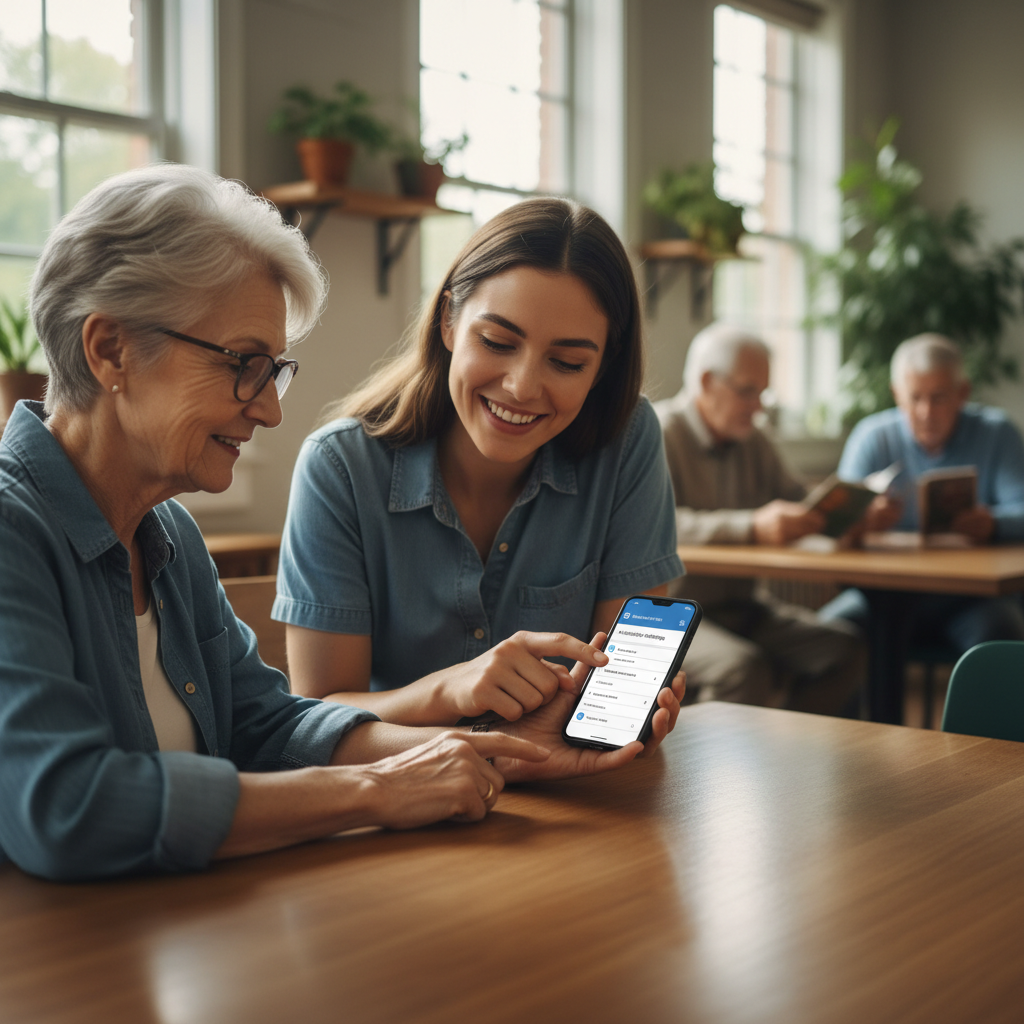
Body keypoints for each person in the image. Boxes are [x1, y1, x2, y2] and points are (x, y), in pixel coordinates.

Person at [0, 166, 683, 882]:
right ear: (109, 349)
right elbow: (68, 806)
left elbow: (272, 726)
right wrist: (375, 790)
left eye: (272, 370)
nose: (270, 409)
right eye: (244, 364)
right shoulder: (15, 529)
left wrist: (496, 746)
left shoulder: (167, 536)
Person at [273, 197, 685, 725]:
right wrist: (452, 692)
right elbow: (320, 714)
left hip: (562, 771)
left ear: (602, 367)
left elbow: (620, 699)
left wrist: (631, 709)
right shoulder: (339, 468)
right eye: (496, 341)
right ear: (448, 321)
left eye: (567, 362)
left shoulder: (627, 441)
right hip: (399, 777)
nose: (522, 387)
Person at [653, 322, 864, 714]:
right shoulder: (657, 433)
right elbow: (657, 523)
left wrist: (854, 511)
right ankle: (701, 757)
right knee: (742, 669)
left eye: (762, 393)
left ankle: (793, 744)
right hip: (672, 610)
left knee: (845, 649)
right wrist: (751, 527)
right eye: (747, 391)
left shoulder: (754, 437)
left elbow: (801, 501)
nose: (758, 406)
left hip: (745, 606)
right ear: (707, 382)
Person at [820, 332, 1024, 651]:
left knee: (999, 637)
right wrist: (862, 521)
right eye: (915, 398)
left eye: (938, 398)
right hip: (881, 595)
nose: (926, 412)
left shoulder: (997, 433)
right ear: (896, 394)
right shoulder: (872, 436)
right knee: (826, 635)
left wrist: (993, 523)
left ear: (962, 393)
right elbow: (834, 522)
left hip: (972, 598)